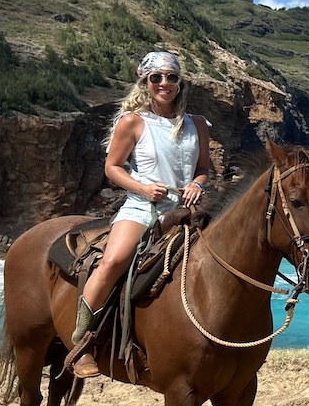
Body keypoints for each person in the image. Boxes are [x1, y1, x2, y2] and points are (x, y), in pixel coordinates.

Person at [71, 51, 211, 378]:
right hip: (142, 207)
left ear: (179, 83)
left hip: (186, 210)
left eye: (171, 77)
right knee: (112, 261)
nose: (164, 83)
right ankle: (82, 343)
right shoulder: (133, 122)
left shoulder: (198, 125)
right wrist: (143, 188)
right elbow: (112, 167)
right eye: (156, 77)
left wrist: (197, 185)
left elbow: (203, 169)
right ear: (145, 82)